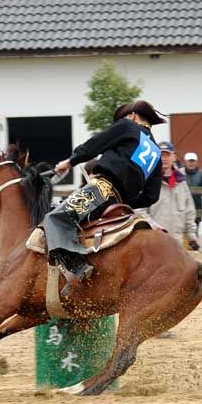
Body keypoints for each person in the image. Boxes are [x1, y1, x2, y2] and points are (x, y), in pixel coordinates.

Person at [45, 100, 165, 296]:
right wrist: (125, 201)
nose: (122, 122)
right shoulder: (157, 154)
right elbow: (152, 196)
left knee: (55, 218)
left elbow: (94, 145)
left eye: (124, 118)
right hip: (119, 204)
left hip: (100, 190)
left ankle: (78, 268)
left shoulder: (129, 127)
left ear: (133, 116)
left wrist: (69, 162)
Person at [145, 142, 199, 251]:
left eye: (167, 155)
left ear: (174, 157)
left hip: (177, 242)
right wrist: (153, 226)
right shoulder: (149, 180)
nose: (164, 159)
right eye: (161, 155)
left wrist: (192, 236)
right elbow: (139, 210)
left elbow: (189, 211)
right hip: (156, 241)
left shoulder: (181, 182)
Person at [183, 152, 202, 235]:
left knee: (195, 231)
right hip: (183, 207)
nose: (191, 163)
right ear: (185, 162)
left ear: (196, 162)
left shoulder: (201, 174)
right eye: (189, 161)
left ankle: (194, 247)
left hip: (197, 206)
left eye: (193, 161)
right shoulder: (180, 173)